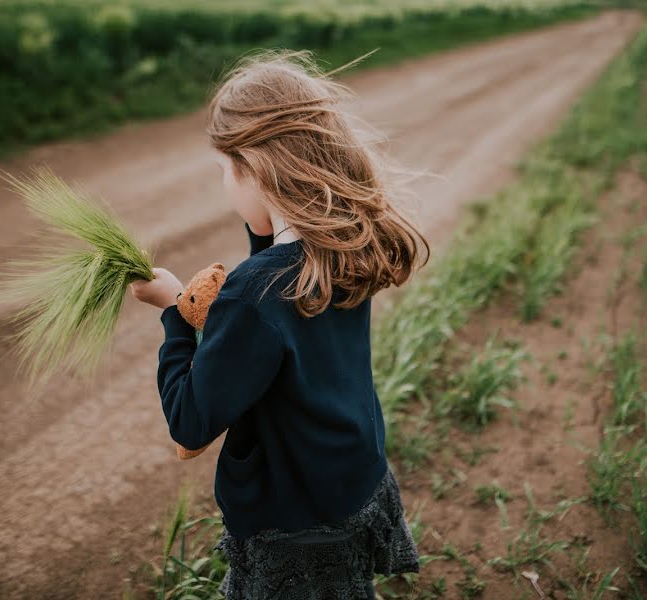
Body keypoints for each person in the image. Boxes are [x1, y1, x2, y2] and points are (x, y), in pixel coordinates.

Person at [130, 48, 430, 600]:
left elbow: (191, 421)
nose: (224, 185)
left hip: (295, 521)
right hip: (355, 483)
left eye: (225, 170)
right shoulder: (341, 243)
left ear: (254, 168)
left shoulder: (254, 292)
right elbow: (272, 273)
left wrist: (175, 315)